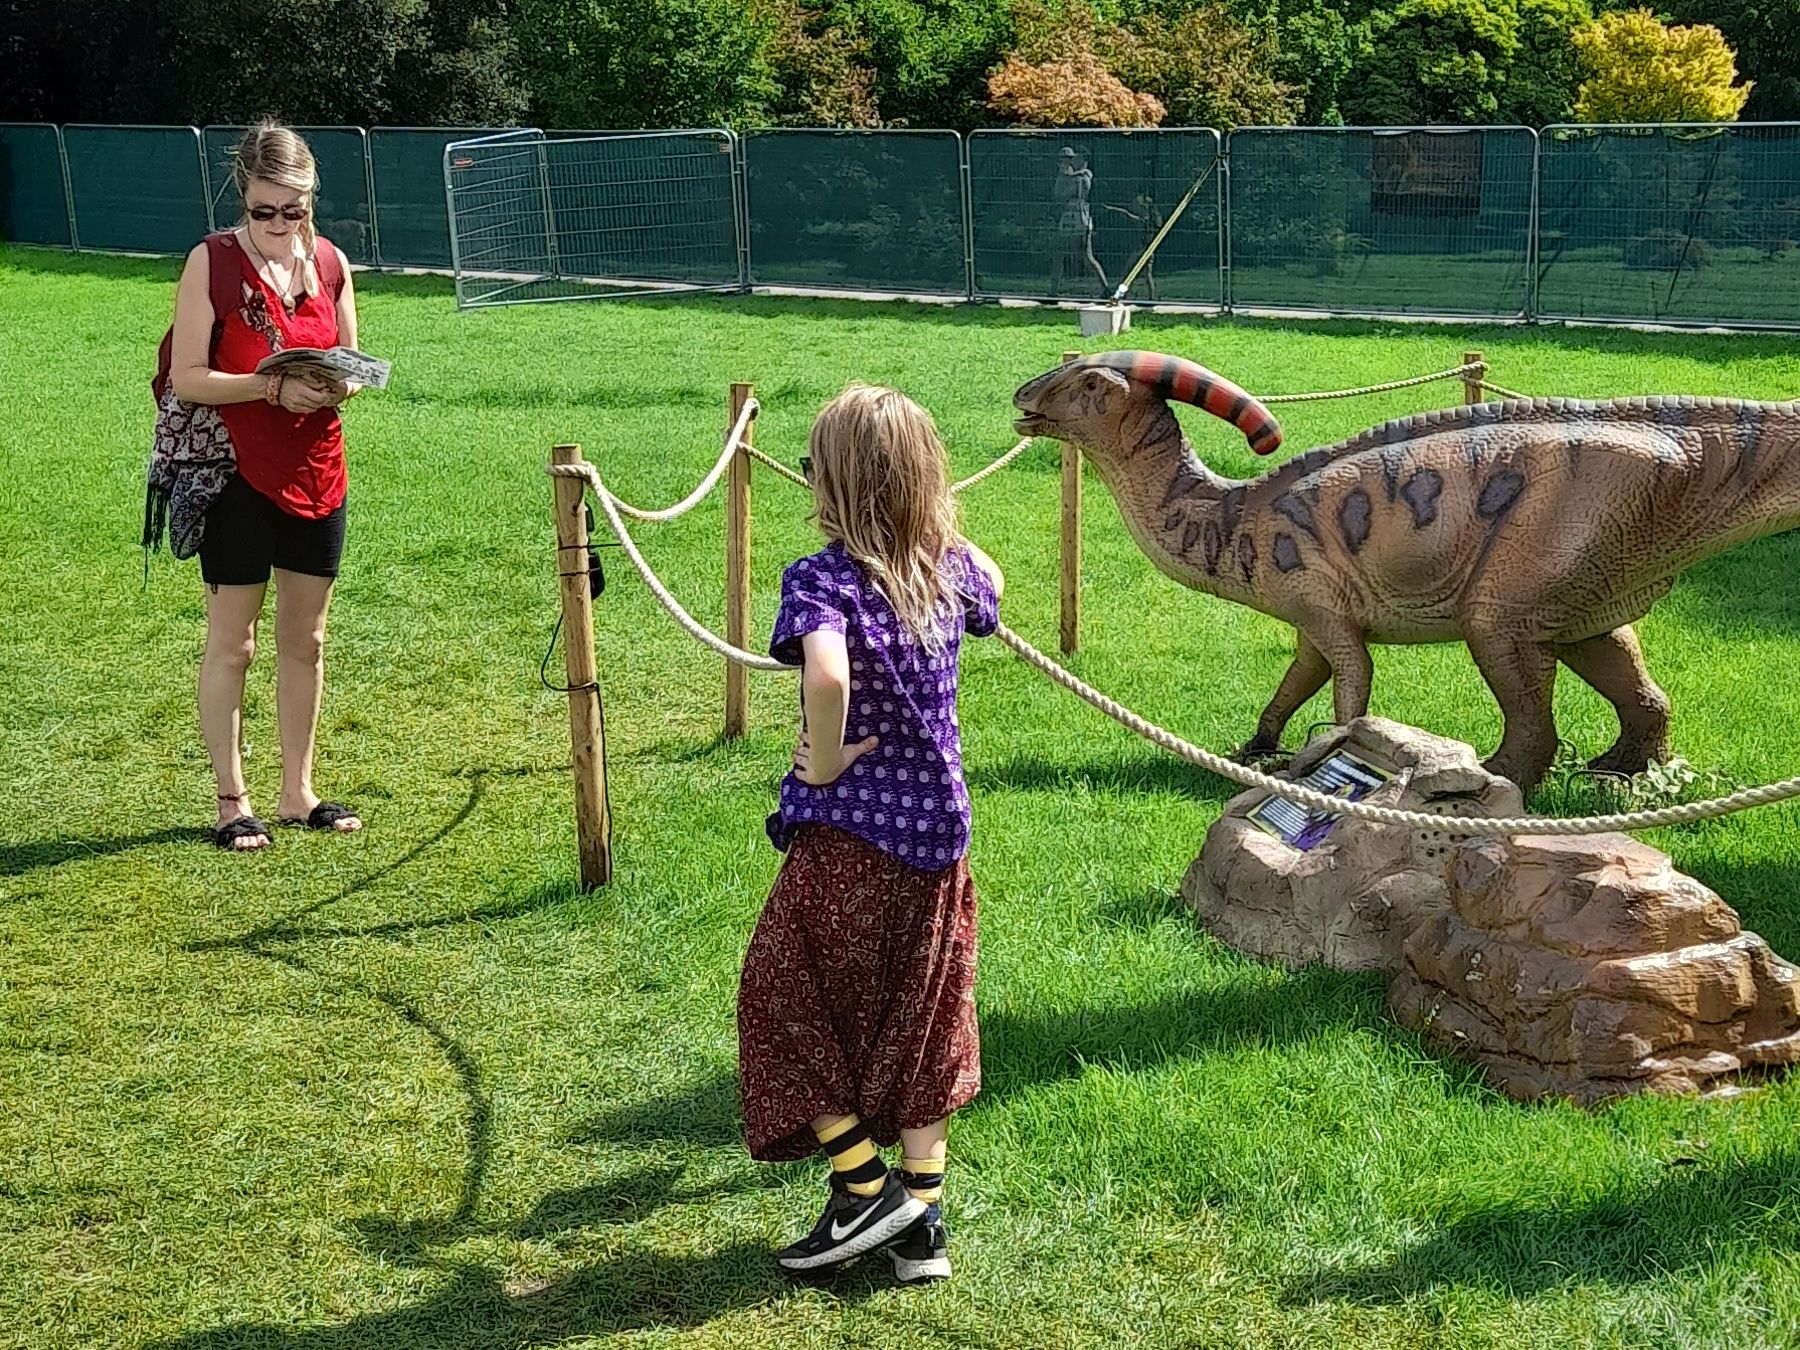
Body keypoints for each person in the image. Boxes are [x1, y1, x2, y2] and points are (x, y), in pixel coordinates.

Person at [737, 385, 1005, 1284]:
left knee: (782, 996)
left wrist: (820, 755)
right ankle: (923, 1227)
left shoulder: (823, 578)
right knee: (923, 1019)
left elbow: (824, 672)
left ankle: (866, 1187)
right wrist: (939, 531)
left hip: (850, 839)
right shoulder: (948, 570)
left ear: (837, 488)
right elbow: (994, 581)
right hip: (939, 842)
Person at [165, 121, 364, 851]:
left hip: (318, 468)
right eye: (264, 210)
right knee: (235, 643)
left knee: (306, 638)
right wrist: (269, 389)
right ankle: (230, 799)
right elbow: (188, 377)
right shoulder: (211, 262)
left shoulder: (334, 262)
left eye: (296, 209)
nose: (281, 224)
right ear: (241, 196)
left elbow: (352, 362)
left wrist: (334, 385)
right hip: (236, 474)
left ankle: (297, 791)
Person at [1050, 145, 1109, 298]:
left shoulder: (1084, 175)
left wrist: (1067, 178)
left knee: (1086, 256)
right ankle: (1053, 292)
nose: (1070, 161)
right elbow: (1058, 195)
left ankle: (1105, 289)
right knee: (1058, 254)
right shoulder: (1067, 174)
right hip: (1067, 218)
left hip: (1080, 218)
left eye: (1073, 158)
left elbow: (1068, 193)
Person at [1102, 190, 1165, 301]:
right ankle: (1151, 296)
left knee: (1127, 274)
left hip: (1140, 251)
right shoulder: (1153, 222)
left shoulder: (1143, 221)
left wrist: (1111, 209)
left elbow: (1126, 213)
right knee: (1147, 275)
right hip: (1149, 252)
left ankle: (1120, 295)